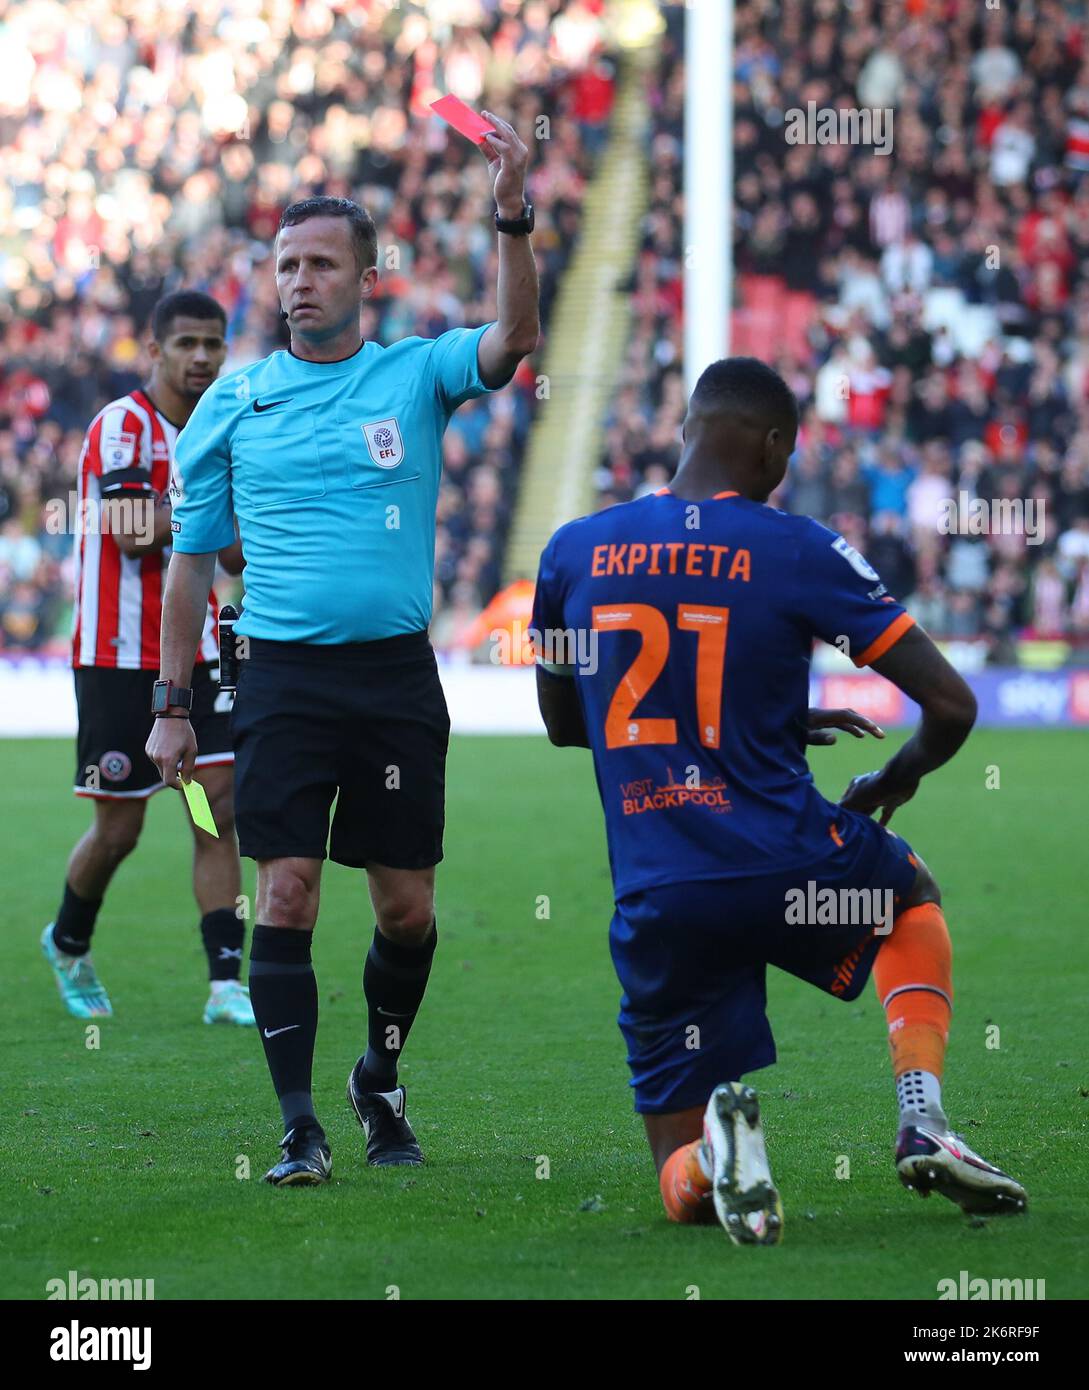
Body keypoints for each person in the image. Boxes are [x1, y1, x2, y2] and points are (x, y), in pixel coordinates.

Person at [532, 356, 1027, 1244]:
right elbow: (951, 705)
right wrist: (894, 776)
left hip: (659, 892)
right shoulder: (793, 545)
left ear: (687, 430)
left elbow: (573, 725)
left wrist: (762, 718)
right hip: (789, 864)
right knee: (907, 895)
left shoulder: (572, 552)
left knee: (672, 1180)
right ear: (767, 445)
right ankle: (922, 1115)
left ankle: (715, 1160)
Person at [147, 114, 539, 1187]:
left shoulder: (416, 374)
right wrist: (172, 701)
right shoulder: (230, 403)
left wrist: (512, 215)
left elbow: (514, 341)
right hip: (281, 678)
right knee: (286, 895)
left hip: (395, 677)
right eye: (286, 266)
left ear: (368, 276)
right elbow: (188, 566)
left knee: (407, 909)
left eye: (322, 264)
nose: (300, 282)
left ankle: (381, 1074)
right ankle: (299, 1125)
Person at [42, 291, 251, 1027]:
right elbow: (133, 532)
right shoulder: (123, 427)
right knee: (120, 829)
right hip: (115, 660)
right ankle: (68, 941)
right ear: (155, 351)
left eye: (213, 345)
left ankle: (227, 982)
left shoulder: (221, 429)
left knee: (212, 812)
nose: (202, 357)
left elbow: (229, 553)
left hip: (192, 662)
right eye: (187, 343)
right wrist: (217, 503)